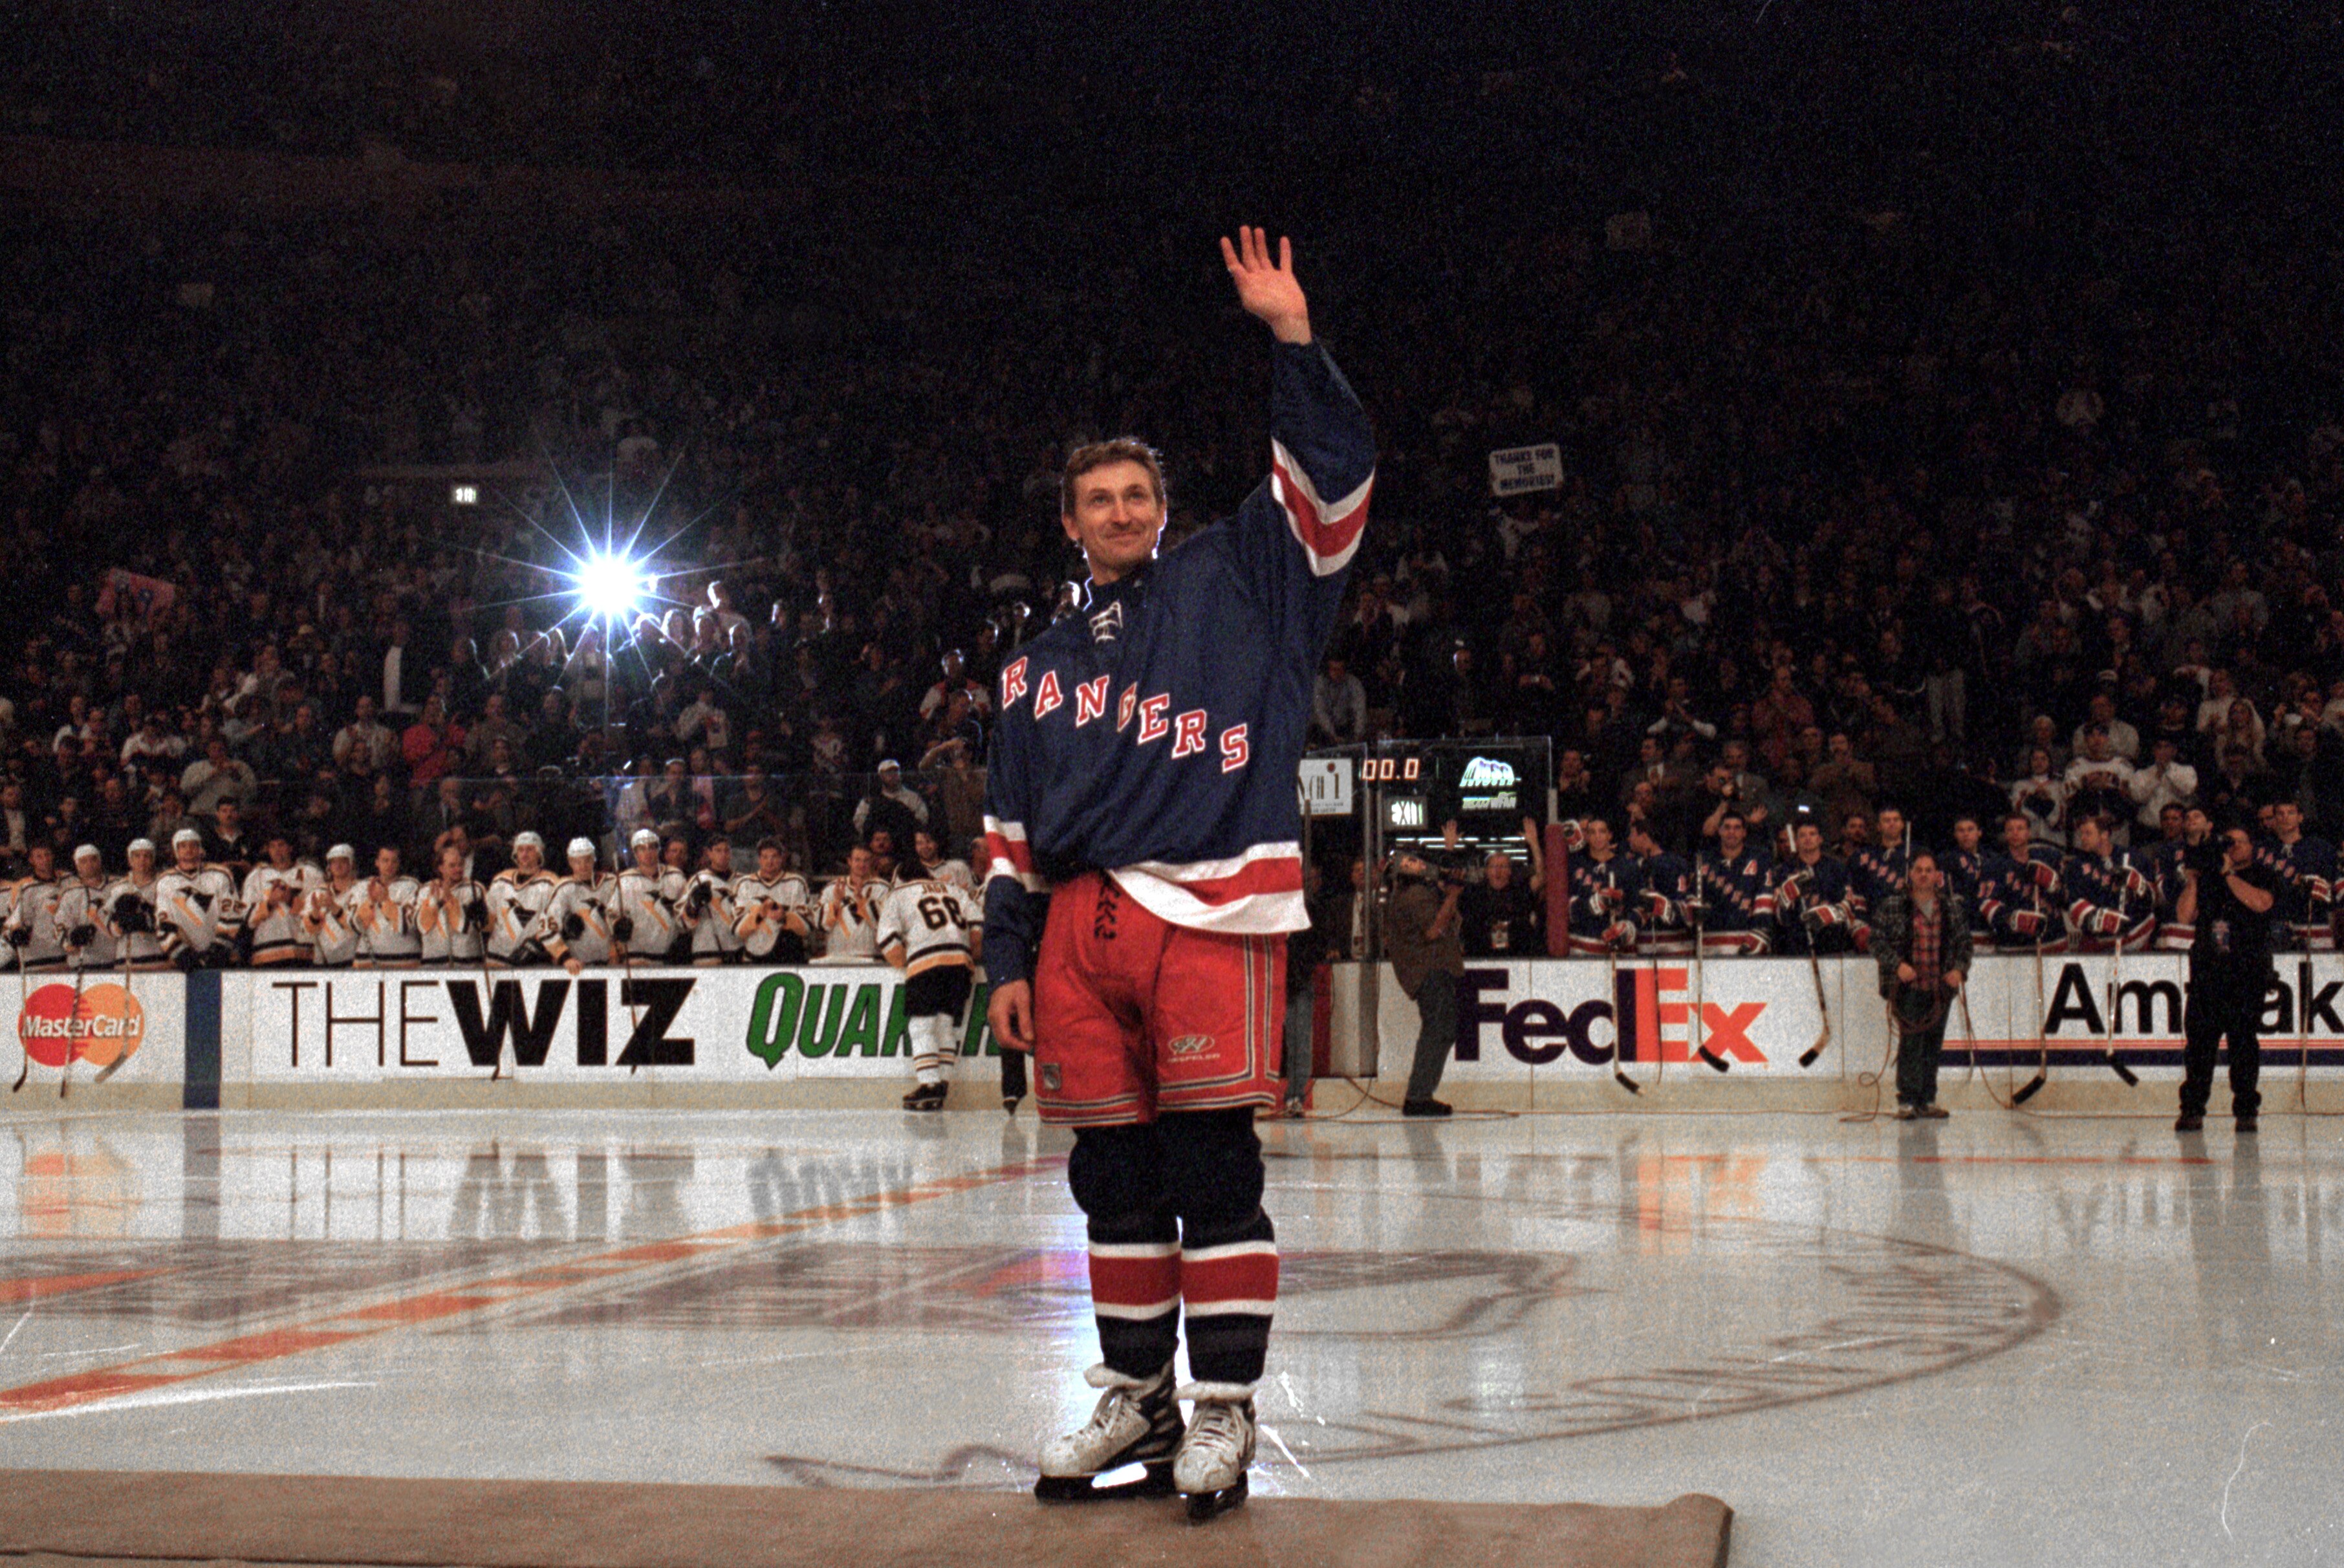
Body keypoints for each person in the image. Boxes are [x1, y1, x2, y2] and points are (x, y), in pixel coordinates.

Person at [986, 231, 1373, 1518]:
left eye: (1138, 496)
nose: (1122, 513)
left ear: (1165, 507)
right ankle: (1136, 1395)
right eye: (1098, 500)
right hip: (1077, 929)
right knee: (1114, 1179)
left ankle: (1225, 1410)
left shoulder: (1243, 581)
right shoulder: (1033, 667)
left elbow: (1330, 480)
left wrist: (1292, 338)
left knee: (1214, 1169)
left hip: (1210, 904)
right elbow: (1009, 833)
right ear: (1069, 522)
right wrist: (1004, 961)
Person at [2173, 821, 2280, 1133]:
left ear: (2251, 847)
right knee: (2199, 1046)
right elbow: (2184, 916)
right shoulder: (2208, 877)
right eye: (2227, 842)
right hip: (2208, 972)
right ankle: (2193, 1109)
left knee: (2243, 1044)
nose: (2232, 847)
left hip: (2246, 973)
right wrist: (2194, 880)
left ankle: (2246, 1109)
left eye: (2238, 842)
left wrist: (2228, 874)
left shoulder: (2262, 874)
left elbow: (2261, 904)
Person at [1869, 849, 1972, 1120]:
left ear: (1937, 876)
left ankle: (1927, 1099)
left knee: (1933, 1044)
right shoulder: (1894, 905)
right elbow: (1876, 941)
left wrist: (1959, 970)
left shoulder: (1951, 907)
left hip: (1940, 989)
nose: (1924, 875)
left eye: (1929, 870)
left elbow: (1965, 944)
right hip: (1908, 988)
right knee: (1911, 1043)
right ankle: (1907, 1101)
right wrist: (1897, 965)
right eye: (1919, 870)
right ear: (1911, 874)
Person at [876, 869, 985, 1110]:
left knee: (921, 1026)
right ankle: (942, 1083)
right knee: (946, 1024)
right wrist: (971, 950)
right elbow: (978, 922)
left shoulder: (900, 893)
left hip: (927, 962)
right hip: (960, 961)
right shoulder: (954, 890)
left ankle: (929, 1085)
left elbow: (886, 938)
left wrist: (904, 960)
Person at [1384, 846, 1466, 1116]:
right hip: (1429, 970)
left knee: (1439, 1029)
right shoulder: (1417, 895)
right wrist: (1452, 895)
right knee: (1438, 1029)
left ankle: (1420, 1094)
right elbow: (1433, 930)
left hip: (1426, 970)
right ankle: (1419, 1095)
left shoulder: (1409, 894)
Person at [541, 839, 618, 974]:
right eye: (577, 861)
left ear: (594, 859)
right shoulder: (564, 888)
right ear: (570, 862)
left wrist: (619, 948)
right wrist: (564, 957)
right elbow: (546, 928)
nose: (583, 866)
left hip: (612, 964)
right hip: (578, 967)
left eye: (587, 860)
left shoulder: (612, 883)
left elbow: (624, 918)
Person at [733, 838, 812, 964]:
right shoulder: (745, 884)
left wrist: (785, 917)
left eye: (774, 857)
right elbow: (738, 931)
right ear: (759, 860)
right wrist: (759, 915)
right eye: (765, 857)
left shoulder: (797, 882)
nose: (770, 862)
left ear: (782, 858)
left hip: (789, 957)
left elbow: (807, 928)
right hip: (754, 957)